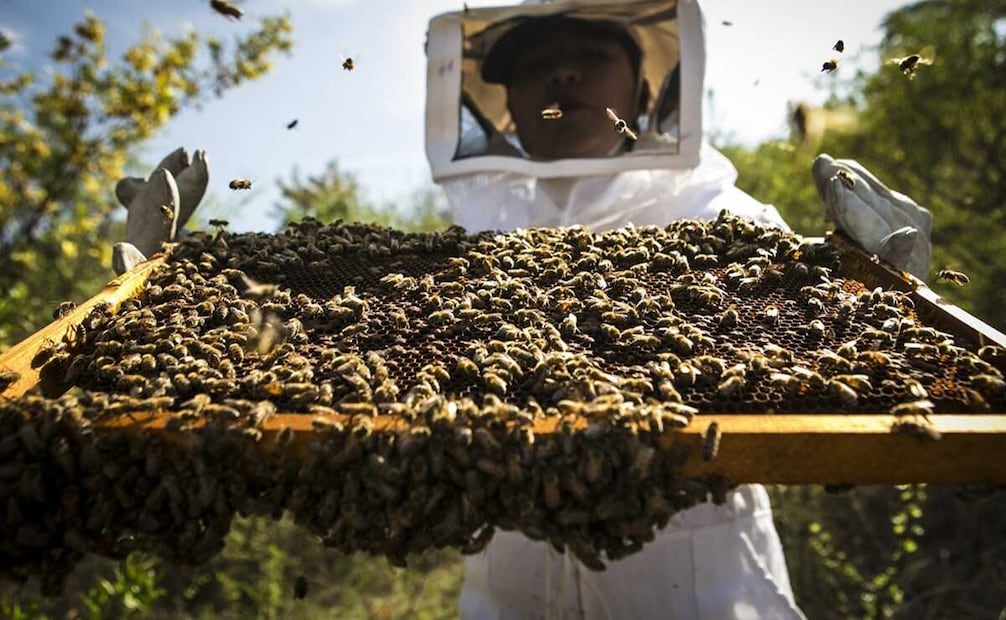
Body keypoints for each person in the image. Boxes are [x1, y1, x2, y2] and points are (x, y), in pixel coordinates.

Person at [113, 1, 932, 617]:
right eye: (535, 63)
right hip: (504, 594)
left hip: (707, 594)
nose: (563, 73)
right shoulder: (456, 242)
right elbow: (299, 342)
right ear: (502, 106)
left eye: (588, 55)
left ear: (644, 89)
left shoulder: (727, 217)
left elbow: (827, 348)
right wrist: (167, 291)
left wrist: (886, 293)